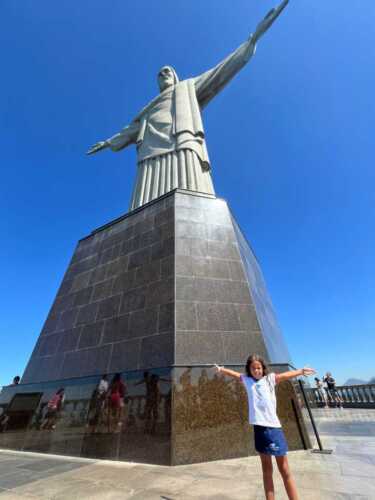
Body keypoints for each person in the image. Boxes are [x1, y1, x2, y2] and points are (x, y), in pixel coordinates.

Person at [87, 1, 289, 211]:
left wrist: (251, 40)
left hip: (181, 139)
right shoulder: (147, 109)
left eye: (167, 71)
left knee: (190, 187)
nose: (163, 74)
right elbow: (130, 130)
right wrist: (108, 143)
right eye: (159, 74)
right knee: (145, 197)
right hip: (150, 149)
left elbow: (219, 72)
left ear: (175, 76)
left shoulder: (188, 86)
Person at [215, 354, 315, 500]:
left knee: (284, 469)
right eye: (253, 368)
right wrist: (221, 370)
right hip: (259, 430)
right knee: (267, 471)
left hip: (273, 429)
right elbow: (235, 375)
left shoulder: (270, 379)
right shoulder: (247, 381)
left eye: (259, 368)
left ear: (263, 368)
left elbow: (285, 375)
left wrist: (300, 371)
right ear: (249, 370)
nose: (256, 371)